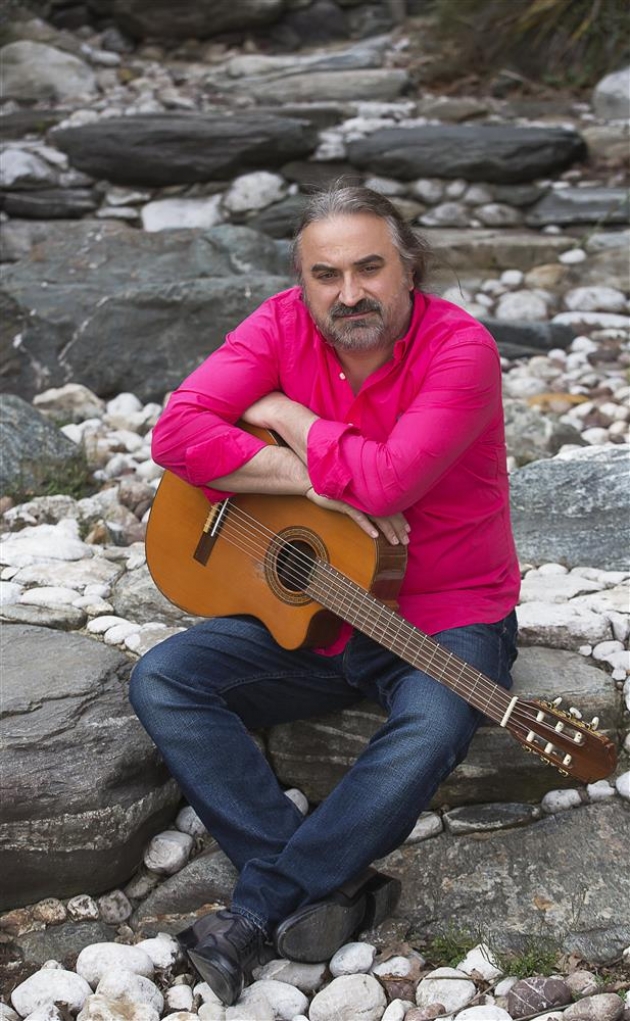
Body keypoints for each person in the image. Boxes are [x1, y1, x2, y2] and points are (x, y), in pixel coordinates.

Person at [130, 184, 520, 1006]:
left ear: (409, 266)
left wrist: (282, 411)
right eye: (326, 274)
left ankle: (261, 905)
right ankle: (338, 887)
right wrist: (309, 480)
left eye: (370, 268)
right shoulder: (279, 324)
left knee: (436, 722)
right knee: (164, 677)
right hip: (314, 613)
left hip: (442, 611)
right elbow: (176, 432)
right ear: (301, 280)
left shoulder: (462, 349)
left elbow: (388, 483)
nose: (350, 293)